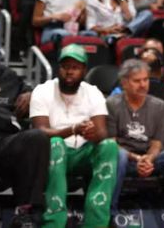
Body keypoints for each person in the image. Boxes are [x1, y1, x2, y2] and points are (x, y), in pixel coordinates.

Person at [31, 44, 118, 228]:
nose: (69, 72)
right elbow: (40, 131)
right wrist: (72, 130)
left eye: (75, 67)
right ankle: (54, 221)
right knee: (55, 143)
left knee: (109, 146)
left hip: (83, 152)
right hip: (52, 154)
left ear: (84, 70)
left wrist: (93, 132)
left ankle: (96, 222)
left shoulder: (93, 92)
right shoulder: (42, 90)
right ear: (58, 68)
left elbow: (102, 132)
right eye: (65, 66)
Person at [108, 59, 164, 227]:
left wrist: (148, 159)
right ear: (124, 83)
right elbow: (111, 143)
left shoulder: (158, 105)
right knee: (118, 155)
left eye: (145, 79)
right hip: (124, 160)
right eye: (137, 81)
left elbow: (157, 142)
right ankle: (110, 214)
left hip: (148, 160)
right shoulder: (112, 104)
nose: (143, 84)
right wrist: (137, 158)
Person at [0, 21, 50, 227]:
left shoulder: (9, 76)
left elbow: (34, 91)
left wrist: (32, 94)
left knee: (37, 137)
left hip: (5, 141)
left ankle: (26, 211)